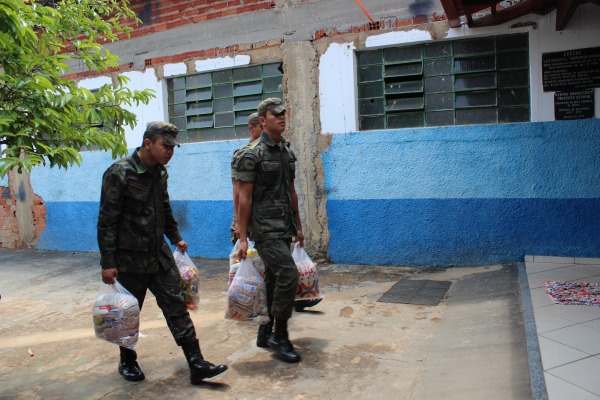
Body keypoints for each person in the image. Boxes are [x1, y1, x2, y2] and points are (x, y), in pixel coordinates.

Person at [97, 121, 228, 384]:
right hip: (130, 259)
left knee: (176, 305)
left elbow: (164, 209)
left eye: (172, 146)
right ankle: (127, 361)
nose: (170, 151)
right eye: (165, 145)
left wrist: (176, 238)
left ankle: (196, 362)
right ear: (148, 143)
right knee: (129, 312)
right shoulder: (119, 172)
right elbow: (107, 220)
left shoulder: (160, 173)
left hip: (159, 255)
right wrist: (108, 262)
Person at [235, 98, 304, 363]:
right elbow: (244, 198)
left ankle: (265, 332)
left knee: (275, 281)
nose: (282, 118)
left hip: (284, 228)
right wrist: (242, 238)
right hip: (264, 230)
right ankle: (281, 336)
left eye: (284, 114)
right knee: (289, 274)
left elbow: (291, 192)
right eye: (276, 115)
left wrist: (298, 225)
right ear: (262, 120)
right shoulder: (251, 154)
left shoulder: (286, 152)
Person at [230, 113, 263, 245]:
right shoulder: (242, 154)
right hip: (244, 214)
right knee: (243, 261)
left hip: (262, 218)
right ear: (251, 128)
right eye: (261, 127)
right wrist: (238, 223)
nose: (265, 131)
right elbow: (237, 189)